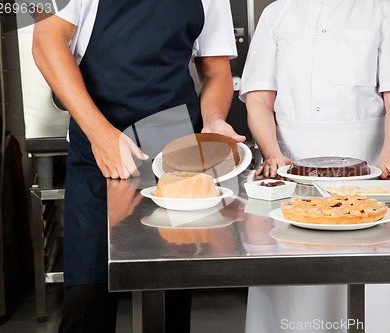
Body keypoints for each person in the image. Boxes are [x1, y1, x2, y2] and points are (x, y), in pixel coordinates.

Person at [32, 1, 244, 332]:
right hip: (99, 153)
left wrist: (213, 119)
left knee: (170, 294)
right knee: (88, 299)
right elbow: (46, 41)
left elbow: (216, 71)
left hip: (174, 157)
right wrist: (101, 133)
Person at [239, 0, 390, 332]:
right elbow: (258, 97)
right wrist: (272, 153)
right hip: (290, 172)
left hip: (367, 173)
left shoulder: (386, 6)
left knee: (367, 279)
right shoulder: (277, 12)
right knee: (291, 286)